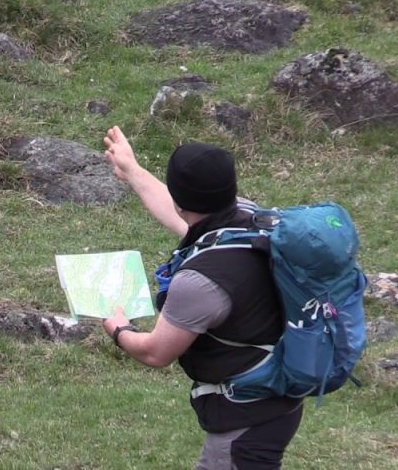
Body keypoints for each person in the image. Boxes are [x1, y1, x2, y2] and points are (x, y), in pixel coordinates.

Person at [100, 126, 303, 470]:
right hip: (279, 399)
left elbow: (156, 352)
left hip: (246, 419)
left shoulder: (200, 281)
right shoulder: (249, 221)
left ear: (183, 201)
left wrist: (120, 330)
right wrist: (132, 171)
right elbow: (183, 214)